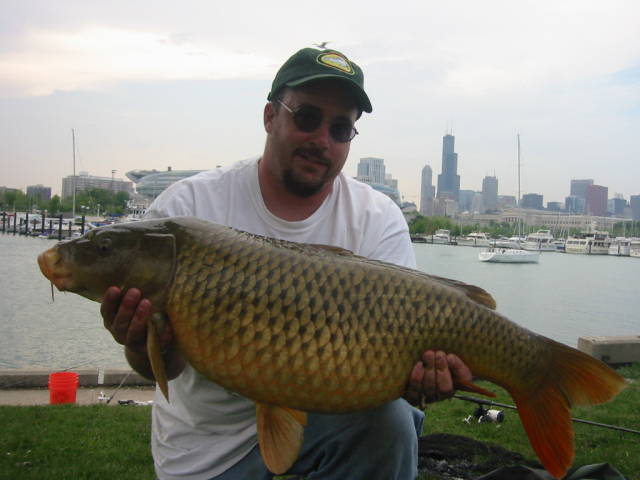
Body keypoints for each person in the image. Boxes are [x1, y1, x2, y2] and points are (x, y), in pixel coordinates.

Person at [101, 46, 473, 480]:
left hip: (331, 427)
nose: (322, 140)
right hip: (207, 457)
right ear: (270, 117)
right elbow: (159, 368)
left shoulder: (376, 218)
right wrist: (136, 341)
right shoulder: (188, 208)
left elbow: (403, 386)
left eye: (340, 129)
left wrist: (427, 382)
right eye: (307, 118)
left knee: (391, 422)